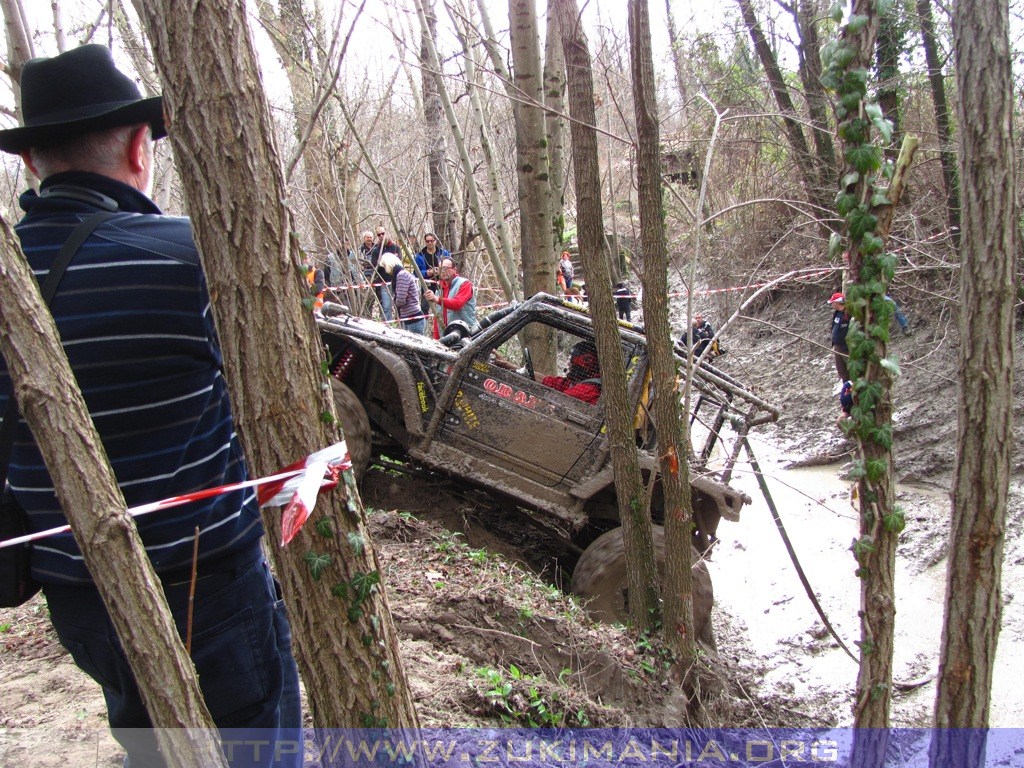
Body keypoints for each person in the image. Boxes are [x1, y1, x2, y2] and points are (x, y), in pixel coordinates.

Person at [0, 45, 300, 766]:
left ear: (34, 161)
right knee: (256, 750)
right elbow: (271, 405)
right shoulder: (188, 258)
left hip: (77, 593)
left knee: (153, 746)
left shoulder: (11, 276)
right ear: (141, 146)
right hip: (210, 589)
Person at [424, 257, 477, 338]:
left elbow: (457, 304)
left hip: (465, 334)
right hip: (446, 335)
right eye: (440, 269)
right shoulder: (440, 288)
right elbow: (437, 316)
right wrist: (437, 338)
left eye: (446, 268)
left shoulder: (465, 284)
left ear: (454, 269)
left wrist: (437, 299)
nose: (443, 271)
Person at [380, 252, 425, 334]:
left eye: (385, 266)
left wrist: (395, 302)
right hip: (409, 317)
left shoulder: (402, 275)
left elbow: (401, 300)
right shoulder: (400, 274)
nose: (385, 270)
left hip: (413, 318)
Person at [367, 227, 400, 322]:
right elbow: (374, 266)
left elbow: (398, 263)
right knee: (386, 307)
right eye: (378, 235)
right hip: (384, 282)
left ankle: (402, 326)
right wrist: (385, 262)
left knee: (400, 306)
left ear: (387, 233)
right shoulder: (376, 251)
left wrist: (383, 262)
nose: (381, 236)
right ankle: (388, 326)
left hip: (397, 281)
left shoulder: (395, 248)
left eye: (383, 233)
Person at [828, 291, 851, 382]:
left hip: (846, 347)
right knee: (841, 370)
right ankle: (846, 389)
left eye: (832, 302)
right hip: (837, 346)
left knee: (850, 369)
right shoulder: (836, 313)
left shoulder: (848, 314)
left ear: (837, 302)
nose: (831, 305)